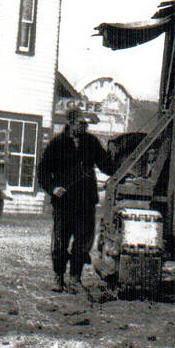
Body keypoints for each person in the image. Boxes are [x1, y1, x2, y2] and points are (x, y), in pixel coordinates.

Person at [36, 107, 117, 292]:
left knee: (82, 243)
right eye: (81, 123)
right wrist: (53, 188)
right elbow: (42, 171)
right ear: (70, 123)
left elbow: (106, 165)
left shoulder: (91, 142)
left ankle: (75, 279)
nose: (85, 127)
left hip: (86, 203)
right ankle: (58, 278)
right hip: (63, 203)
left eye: (86, 124)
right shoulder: (56, 144)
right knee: (60, 242)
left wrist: (120, 163)